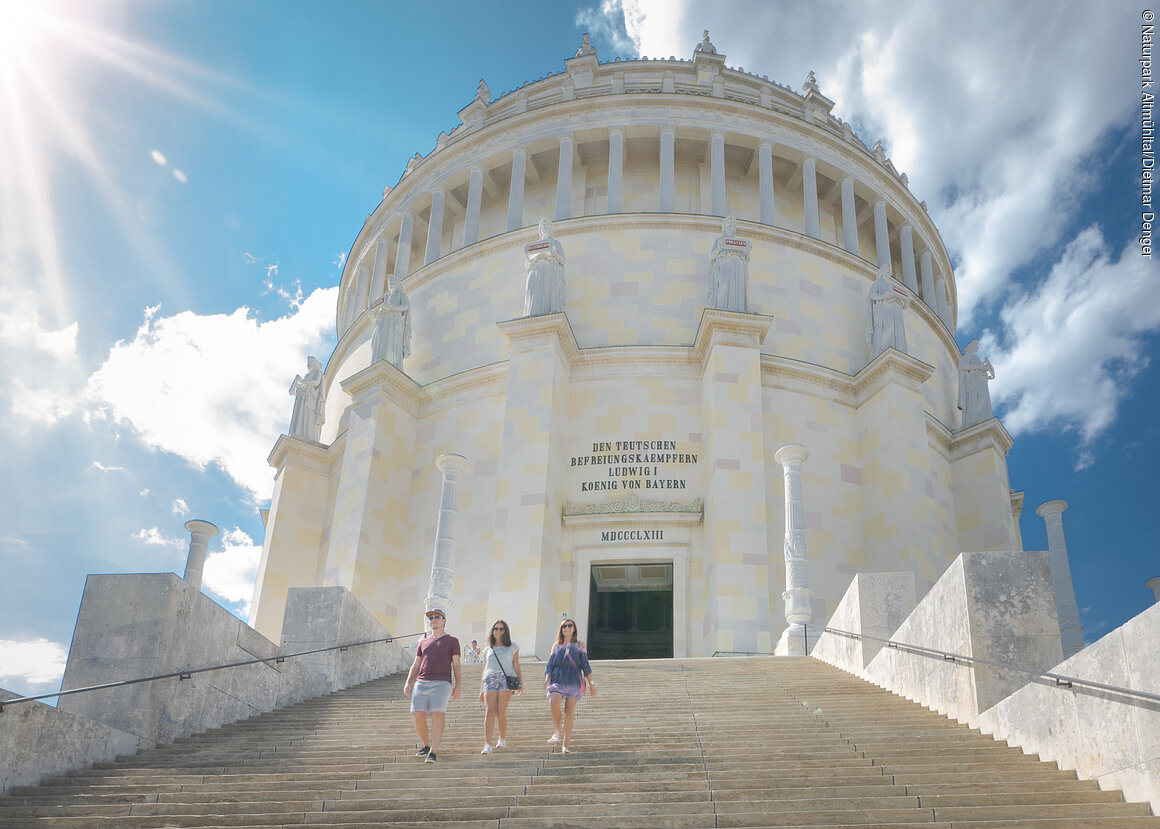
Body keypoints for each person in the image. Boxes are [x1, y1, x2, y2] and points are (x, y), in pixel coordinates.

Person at [402, 609, 461, 763]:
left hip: (442, 682)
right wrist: (408, 682)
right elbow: (416, 665)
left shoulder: (452, 640)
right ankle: (427, 745)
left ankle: (433, 751)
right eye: (431, 618)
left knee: (437, 713)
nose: (433, 620)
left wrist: (458, 685)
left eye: (437, 617)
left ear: (444, 621)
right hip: (421, 682)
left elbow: (456, 664)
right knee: (418, 715)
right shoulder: (423, 642)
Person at [543, 618, 596, 753]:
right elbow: (550, 664)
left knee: (569, 713)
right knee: (554, 702)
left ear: (574, 628)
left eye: (569, 626)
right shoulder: (556, 646)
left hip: (573, 680)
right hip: (558, 678)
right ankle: (557, 730)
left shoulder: (580, 645)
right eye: (564, 626)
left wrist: (591, 683)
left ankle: (565, 745)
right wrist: (547, 677)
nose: (567, 628)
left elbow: (585, 665)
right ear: (561, 629)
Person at [478, 619, 522, 754]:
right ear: (493, 631)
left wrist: (520, 683)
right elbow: (485, 668)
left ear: (505, 631)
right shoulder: (488, 649)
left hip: (505, 679)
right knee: (489, 711)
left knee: (500, 712)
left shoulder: (512, 647)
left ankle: (502, 738)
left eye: (501, 629)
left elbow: (516, 665)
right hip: (489, 680)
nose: (498, 631)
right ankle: (487, 744)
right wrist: (481, 689)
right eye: (496, 629)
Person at [707, 215, 750, 313]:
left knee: (739, 291)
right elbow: (711, 257)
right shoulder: (719, 240)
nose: (731, 228)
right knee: (723, 285)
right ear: (724, 227)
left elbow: (747, 259)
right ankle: (720, 308)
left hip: (738, 271)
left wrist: (749, 250)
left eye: (733, 226)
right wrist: (718, 248)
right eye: (729, 225)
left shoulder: (740, 242)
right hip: (724, 267)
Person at [524, 218, 567, 316]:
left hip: (549, 272)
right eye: (543, 226)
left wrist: (554, 253)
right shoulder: (533, 246)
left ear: (551, 229)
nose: (545, 228)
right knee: (534, 296)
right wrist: (526, 256)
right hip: (535, 273)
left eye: (547, 226)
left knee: (548, 296)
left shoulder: (556, 243)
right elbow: (527, 266)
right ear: (540, 230)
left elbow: (563, 260)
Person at [865, 265, 909, 359]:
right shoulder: (877, 283)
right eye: (887, 270)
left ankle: (898, 350)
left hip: (896, 312)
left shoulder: (892, 285)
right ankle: (883, 352)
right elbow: (872, 295)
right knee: (886, 333)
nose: (889, 272)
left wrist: (905, 299)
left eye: (890, 271)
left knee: (897, 334)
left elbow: (906, 304)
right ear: (881, 272)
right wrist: (885, 296)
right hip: (885, 310)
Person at [369, 274, 411, 370]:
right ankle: (377, 363)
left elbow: (405, 306)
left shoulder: (401, 294)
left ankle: (394, 367)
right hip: (382, 322)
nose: (390, 283)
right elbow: (373, 308)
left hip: (393, 321)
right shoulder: (386, 297)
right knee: (378, 343)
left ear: (398, 284)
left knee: (391, 341)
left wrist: (393, 308)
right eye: (389, 282)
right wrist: (372, 314)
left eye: (393, 281)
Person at [957, 339, 995, 428]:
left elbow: (979, 370)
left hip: (980, 382)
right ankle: (972, 419)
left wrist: (988, 375)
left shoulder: (976, 358)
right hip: (973, 384)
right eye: (976, 346)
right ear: (971, 347)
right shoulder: (967, 356)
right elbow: (963, 367)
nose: (977, 348)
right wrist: (978, 367)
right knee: (974, 401)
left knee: (983, 400)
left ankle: (981, 417)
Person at [288, 356, 325, 442]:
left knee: (309, 418)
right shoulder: (307, 375)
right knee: (300, 416)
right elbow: (302, 386)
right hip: (302, 398)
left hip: (310, 399)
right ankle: (299, 433)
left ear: (314, 364)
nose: (307, 365)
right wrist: (297, 386)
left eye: (310, 363)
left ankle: (308, 436)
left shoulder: (318, 372)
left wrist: (302, 381)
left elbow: (316, 383)